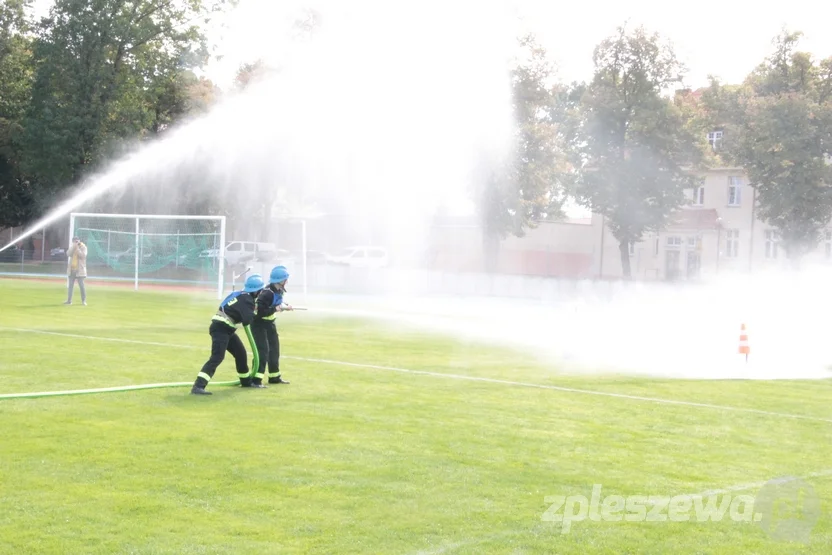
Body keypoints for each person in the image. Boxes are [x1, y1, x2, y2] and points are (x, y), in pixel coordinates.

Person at [191, 274, 266, 396]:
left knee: (240, 353)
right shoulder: (247, 299)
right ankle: (198, 386)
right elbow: (247, 320)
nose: (261, 293)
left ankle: (246, 382)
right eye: (260, 290)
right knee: (217, 357)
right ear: (256, 291)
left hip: (225, 328)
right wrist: (257, 311)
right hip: (221, 328)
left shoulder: (239, 295)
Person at [250, 265, 293, 387]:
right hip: (259, 325)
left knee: (274, 350)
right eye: (285, 279)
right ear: (280, 280)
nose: (287, 281)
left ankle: (274, 377)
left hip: (270, 324)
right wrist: (276, 309)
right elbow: (259, 312)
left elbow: (278, 302)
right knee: (262, 351)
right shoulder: (266, 293)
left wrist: (285, 306)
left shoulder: (279, 290)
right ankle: (255, 380)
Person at [64, 236, 88, 305]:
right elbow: (68, 254)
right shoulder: (72, 247)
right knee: (70, 286)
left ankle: (83, 301)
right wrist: (73, 247)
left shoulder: (83, 247)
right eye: (74, 241)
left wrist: (77, 248)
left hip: (80, 270)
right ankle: (69, 301)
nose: (76, 243)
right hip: (72, 270)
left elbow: (83, 256)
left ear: (79, 241)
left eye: (77, 241)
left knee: (81, 286)